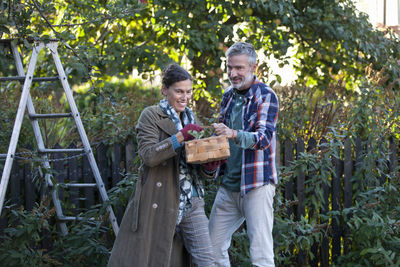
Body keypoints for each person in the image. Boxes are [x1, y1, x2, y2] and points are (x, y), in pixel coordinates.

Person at [108, 63, 216, 267]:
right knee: (156, 260)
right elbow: (148, 156)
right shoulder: (150, 115)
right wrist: (179, 137)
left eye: (188, 92)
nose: (185, 97)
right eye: (179, 91)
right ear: (165, 90)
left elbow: (196, 164)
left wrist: (210, 167)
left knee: (207, 260)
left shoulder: (191, 118)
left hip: (192, 200)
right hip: (160, 200)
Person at [209, 42, 279, 267]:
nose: (233, 73)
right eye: (230, 67)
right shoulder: (228, 96)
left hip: (256, 185)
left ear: (253, 67)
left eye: (239, 68)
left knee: (260, 254)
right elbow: (224, 140)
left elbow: (263, 138)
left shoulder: (266, 95)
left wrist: (232, 133)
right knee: (211, 248)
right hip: (229, 185)